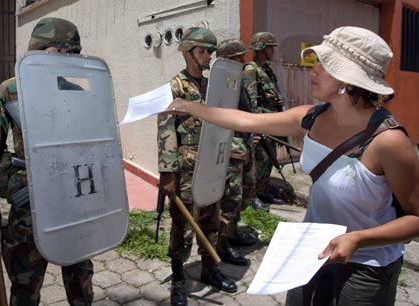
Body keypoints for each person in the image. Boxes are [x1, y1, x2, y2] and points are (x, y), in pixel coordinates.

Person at [166, 26, 419, 305]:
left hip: (366, 266)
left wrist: (358, 240)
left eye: (323, 65)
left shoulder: (389, 141)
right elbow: (243, 120)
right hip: (312, 251)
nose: (312, 70)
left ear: (349, 78)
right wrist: (187, 107)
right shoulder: (311, 117)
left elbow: (415, 219)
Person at [0, 18, 93, 306]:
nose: (67, 60)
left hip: (73, 201)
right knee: (25, 283)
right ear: (40, 52)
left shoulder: (76, 89)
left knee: (80, 279)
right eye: (61, 53)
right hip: (31, 205)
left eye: (72, 54)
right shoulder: (11, 90)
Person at [157, 27, 237, 306]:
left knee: (211, 220)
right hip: (186, 171)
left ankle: (208, 268)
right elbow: (166, 131)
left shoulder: (212, 86)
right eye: (203, 51)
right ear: (188, 52)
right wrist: (168, 173)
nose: (208, 56)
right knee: (183, 227)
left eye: (210, 52)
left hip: (212, 166)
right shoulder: (174, 87)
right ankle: (178, 277)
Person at [214, 38, 262, 266]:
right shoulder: (220, 82)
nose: (244, 60)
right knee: (229, 199)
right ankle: (221, 245)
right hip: (231, 150)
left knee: (243, 194)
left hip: (243, 145)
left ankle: (232, 233)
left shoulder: (237, 79)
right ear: (228, 59)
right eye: (239, 57)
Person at [243, 32, 284, 205]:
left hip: (271, 122)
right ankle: (252, 197)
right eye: (269, 47)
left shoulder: (267, 70)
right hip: (261, 122)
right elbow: (250, 101)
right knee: (257, 162)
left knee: (268, 160)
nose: (272, 50)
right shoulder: (251, 70)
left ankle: (263, 191)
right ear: (260, 48)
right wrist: (254, 127)